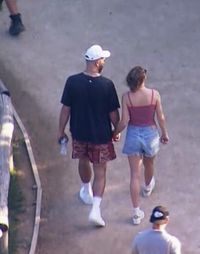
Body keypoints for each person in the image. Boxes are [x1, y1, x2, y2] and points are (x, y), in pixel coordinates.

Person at [58, 44, 120, 227]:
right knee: (100, 172)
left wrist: (60, 131)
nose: (104, 62)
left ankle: (85, 190)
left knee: (83, 161)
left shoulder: (72, 81)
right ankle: (96, 209)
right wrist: (116, 131)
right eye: (103, 59)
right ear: (96, 61)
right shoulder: (107, 85)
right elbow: (113, 114)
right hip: (101, 136)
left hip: (79, 133)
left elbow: (65, 109)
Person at [113, 66, 169, 225]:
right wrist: (164, 134)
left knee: (134, 175)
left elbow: (124, 121)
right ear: (143, 79)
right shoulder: (154, 94)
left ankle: (136, 213)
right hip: (151, 133)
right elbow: (161, 117)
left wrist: (115, 133)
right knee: (149, 163)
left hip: (133, 135)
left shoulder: (126, 97)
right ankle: (148, 186)